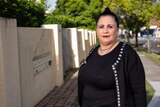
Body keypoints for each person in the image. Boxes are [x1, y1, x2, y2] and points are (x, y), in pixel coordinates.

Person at [78, 7, 147, 107]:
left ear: (117, 30)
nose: (105, 31)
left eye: (110, 26)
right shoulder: (93, 52)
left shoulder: (127, 53)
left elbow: (139, 92)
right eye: (101, 27)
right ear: (96, 30)